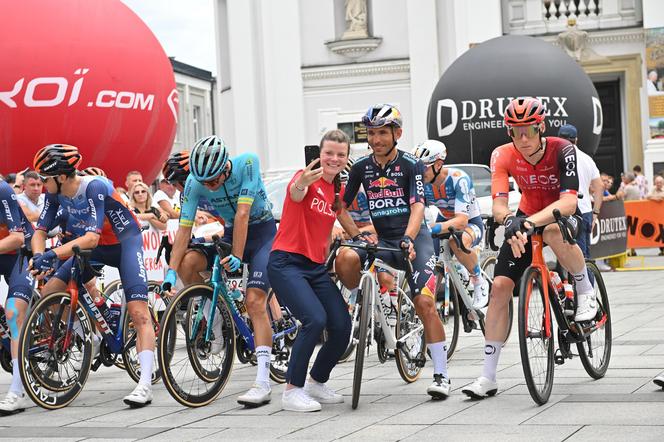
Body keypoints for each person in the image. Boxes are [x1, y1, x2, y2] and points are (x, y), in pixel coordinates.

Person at [462, 97, 594, 399]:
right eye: (516, 131)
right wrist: (508, 219)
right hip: (524, 217)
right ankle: (488, 376)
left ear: (541, 127)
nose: (523, 139)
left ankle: (584, 289)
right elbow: (498, 201)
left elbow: (569, 202)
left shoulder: (563, 149)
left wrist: (527, 223)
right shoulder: (502, 154)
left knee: (550, 230)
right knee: (499, 288)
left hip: (560, 214)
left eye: (530, 131)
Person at [335, 104, 451, 399]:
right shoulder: (361, 168)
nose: (376, 139)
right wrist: (357, 234)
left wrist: (409, 238)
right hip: (381, 240)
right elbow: (341, 208)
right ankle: (360, 301)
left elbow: (418, 207)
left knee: (424, 303)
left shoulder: (411, 165)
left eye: (382, 133)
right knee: (345, 257)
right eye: (371, 133)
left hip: (415, 239)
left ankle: (441, 375)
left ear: (396, 134)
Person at [30, 144, 156, 408]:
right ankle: (86, 336)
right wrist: (39, 255)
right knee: (50, 292)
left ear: (61, 177)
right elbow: (40, 231)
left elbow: (91, 236)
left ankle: (144, 383)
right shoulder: (55, 195)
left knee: (139, 312)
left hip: (124, 244)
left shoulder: (94, 186)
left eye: (45, 178)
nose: (42, 184)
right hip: (94, 248)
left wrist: (52, 256)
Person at [163, 136, 277, 407]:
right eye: (205, 183)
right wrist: (171, 271)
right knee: (188, 263)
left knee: (254, 301)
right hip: (230, 232)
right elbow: (184, 229)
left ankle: (262, 381)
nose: (210, 187)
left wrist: (237, 256)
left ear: (226, 168)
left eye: (214, 180)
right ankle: (216, 319)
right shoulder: (194, 182)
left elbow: (243, 215)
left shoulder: (247, 163)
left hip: (262, 233)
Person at [268, 129, 353, 412]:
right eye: (329, 153)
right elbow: (296, 191)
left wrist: (361, 235)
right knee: (314, 319)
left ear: (346, 158)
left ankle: (317, 381)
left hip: (315, 268)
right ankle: (292, 390)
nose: (334, 159)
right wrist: (303, 181)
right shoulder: (303, 177)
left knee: (342, 325)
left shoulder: (336, 189)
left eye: (340, 155)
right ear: (319, 154)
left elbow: (340, 215)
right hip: (286, 263)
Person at [411, 139, 489, 309]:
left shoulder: (458, 179)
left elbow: (461, 221)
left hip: (470, 223)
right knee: (428, 255)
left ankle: (478, 280)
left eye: (423, 167)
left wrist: (432, 228)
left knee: (457, 242)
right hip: (443, 220)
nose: (418, 172)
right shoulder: (422, 184)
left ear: (438, 165)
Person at [0, 180, 34, 414]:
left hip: (21, 253)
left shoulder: (2, 190)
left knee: (13, 312)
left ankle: (17, 390)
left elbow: (17, 238)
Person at [557, 125, 604, 258]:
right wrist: (595, 213)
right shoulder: (587, 159)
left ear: (558, 139)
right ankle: (586, 278)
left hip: (561, 211)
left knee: (564, 258)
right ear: (576, 140)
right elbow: (599, 187)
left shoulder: (555, 157)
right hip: (584, 211)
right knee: (582, 258)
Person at [647, 175, 664, 256]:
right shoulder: (652, 188)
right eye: (657, 182)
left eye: (660, 182)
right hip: (656, 215)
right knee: (658, 232)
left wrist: (660, 197)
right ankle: (661, 249)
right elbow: (648, 196)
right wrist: (656, 198)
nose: (658, 184)